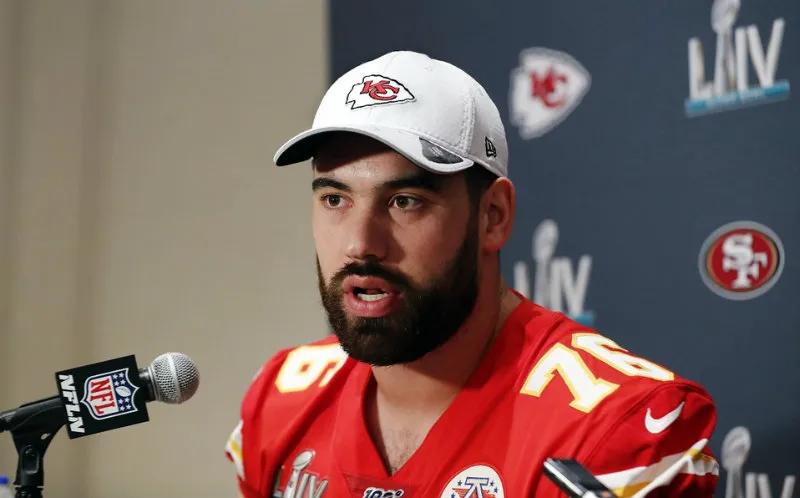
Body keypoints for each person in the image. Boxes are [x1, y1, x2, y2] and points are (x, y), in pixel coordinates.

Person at [225, 50, 720, 498]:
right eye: (335, 199)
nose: (359, 244)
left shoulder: (615, 429)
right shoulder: (281, 401)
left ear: (493, 216)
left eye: (404, 201)